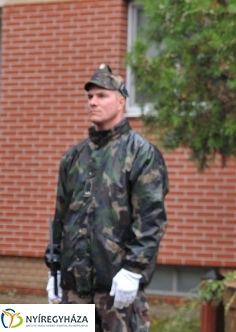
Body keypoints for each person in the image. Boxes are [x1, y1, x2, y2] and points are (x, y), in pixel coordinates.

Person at [47, 64, 169, 332]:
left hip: (118, 289)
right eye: (90, 96)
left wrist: (133, 269)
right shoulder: (74, 157)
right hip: (75, 290)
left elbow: (151, 219)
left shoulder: (140, 153)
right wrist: (54, 267)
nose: (93, 102)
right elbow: (61, 216)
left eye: (102, 95)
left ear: (121, 101)